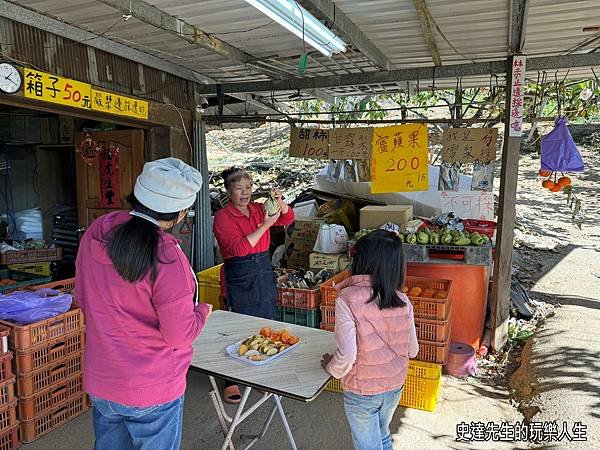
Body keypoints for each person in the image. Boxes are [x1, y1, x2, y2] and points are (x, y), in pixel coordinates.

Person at [75, 158, 212, 450]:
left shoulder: (97, 231)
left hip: (102, 382)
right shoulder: (167, 256)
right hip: (153, 387)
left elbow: (84, 299)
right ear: (180, 213)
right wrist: (202, 312)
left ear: (136, 195)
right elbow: (178, 336)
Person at [321, 230, 419, 450]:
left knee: (369, 445)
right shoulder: (403, 300)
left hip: (362, 390)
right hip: (394, 385)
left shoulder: (347, 298)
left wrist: (331, 368)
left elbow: (347, 356)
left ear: (359, 260)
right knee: (383, 436)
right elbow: (412, 350)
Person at [212, 166, 294, 403]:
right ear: (229, 191)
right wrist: (266, 225)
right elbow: (238, 249)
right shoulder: (223, 217)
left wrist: (280, 202)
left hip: (262, 271)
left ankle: (258, 370)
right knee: (238, 326)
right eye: (239, 188)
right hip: (240, 274)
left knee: (266, 323)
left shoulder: (259, 209)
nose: (245, 192)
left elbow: (288, 218)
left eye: (248, 187)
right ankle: (231, 379)